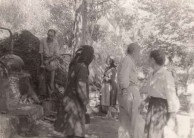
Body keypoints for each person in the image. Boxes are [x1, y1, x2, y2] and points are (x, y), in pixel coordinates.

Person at [54, 45, 94, 138]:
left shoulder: (73, 66)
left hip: (68, 104)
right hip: (75, 106)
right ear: (88, 56)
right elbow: (81, 90)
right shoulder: (82, 68)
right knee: (76, 133)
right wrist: (86, 104)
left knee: (69, 133)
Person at [142, 49, 180, 138]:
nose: (148, 60)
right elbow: (152, 92)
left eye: (149, 58)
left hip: (160, 108)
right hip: (152, 106)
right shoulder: (152, 74)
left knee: (155, 134)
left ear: (152, 60)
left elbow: (171, 95)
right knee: (149, 134)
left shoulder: (166, 75)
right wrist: (144, 102)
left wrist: (172, 116)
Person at [117, 43, 144, 138]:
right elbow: (123, 75)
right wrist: (124, 89)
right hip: (129, 91)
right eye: (138, 52)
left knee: (125, 122)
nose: (139, 55)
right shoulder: (128, 60)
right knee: (136, 120)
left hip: (125, 91)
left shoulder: (126, 60)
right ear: (133, 51)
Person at [39, 29, 60, 97]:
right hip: (44, 58)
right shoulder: (42, 41)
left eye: (52, 36)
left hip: (52, 59)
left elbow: (56, 55)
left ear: (54, 36)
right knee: (42, 74)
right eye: (49, 35)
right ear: (47, 34)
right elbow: (41, 53)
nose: (50, 37)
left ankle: (51, 88)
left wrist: (49, 61)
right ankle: (43, 93)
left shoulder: (55, 43)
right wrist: (42, 63)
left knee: (52, 67)